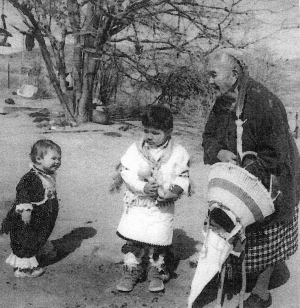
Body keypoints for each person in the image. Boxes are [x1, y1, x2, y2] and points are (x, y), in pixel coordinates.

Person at [201, 52, 300, 308]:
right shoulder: (222, 103)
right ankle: (232, 273)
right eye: (208, 74)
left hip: (274, 180)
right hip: (238, 178)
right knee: (228, 227)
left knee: (268, 233)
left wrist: (247, 170)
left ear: (234, 75)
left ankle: (261, 290)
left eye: (214, 75)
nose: (209, 81)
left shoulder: (265, 102)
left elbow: (277, 154)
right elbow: (209, 137)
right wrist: (218, 152)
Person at [115, 105, 190, 293]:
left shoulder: (178, 152)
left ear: (169, 132)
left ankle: (155, 270)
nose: (149, 136)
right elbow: (126, 172)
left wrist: (176, 189)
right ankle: (132, 268)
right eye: (146, 131)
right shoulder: (135, 150)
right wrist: (142, 187)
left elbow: (183, 176)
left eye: (155, 133)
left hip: (161, 206)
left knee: (157, 238)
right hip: (138, 203)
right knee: (135, 237)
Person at [1, 139, 62, 278]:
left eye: (59, 158)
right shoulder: (31, 177)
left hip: (42, 217)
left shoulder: (47, 176)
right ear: (39, 159)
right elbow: (22, 191)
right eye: (53, 158)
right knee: (26, 239)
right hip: (29, 218)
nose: (58, 161)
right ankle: (24, 268)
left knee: (39, 234)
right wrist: (25, 210)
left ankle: (38, 250)